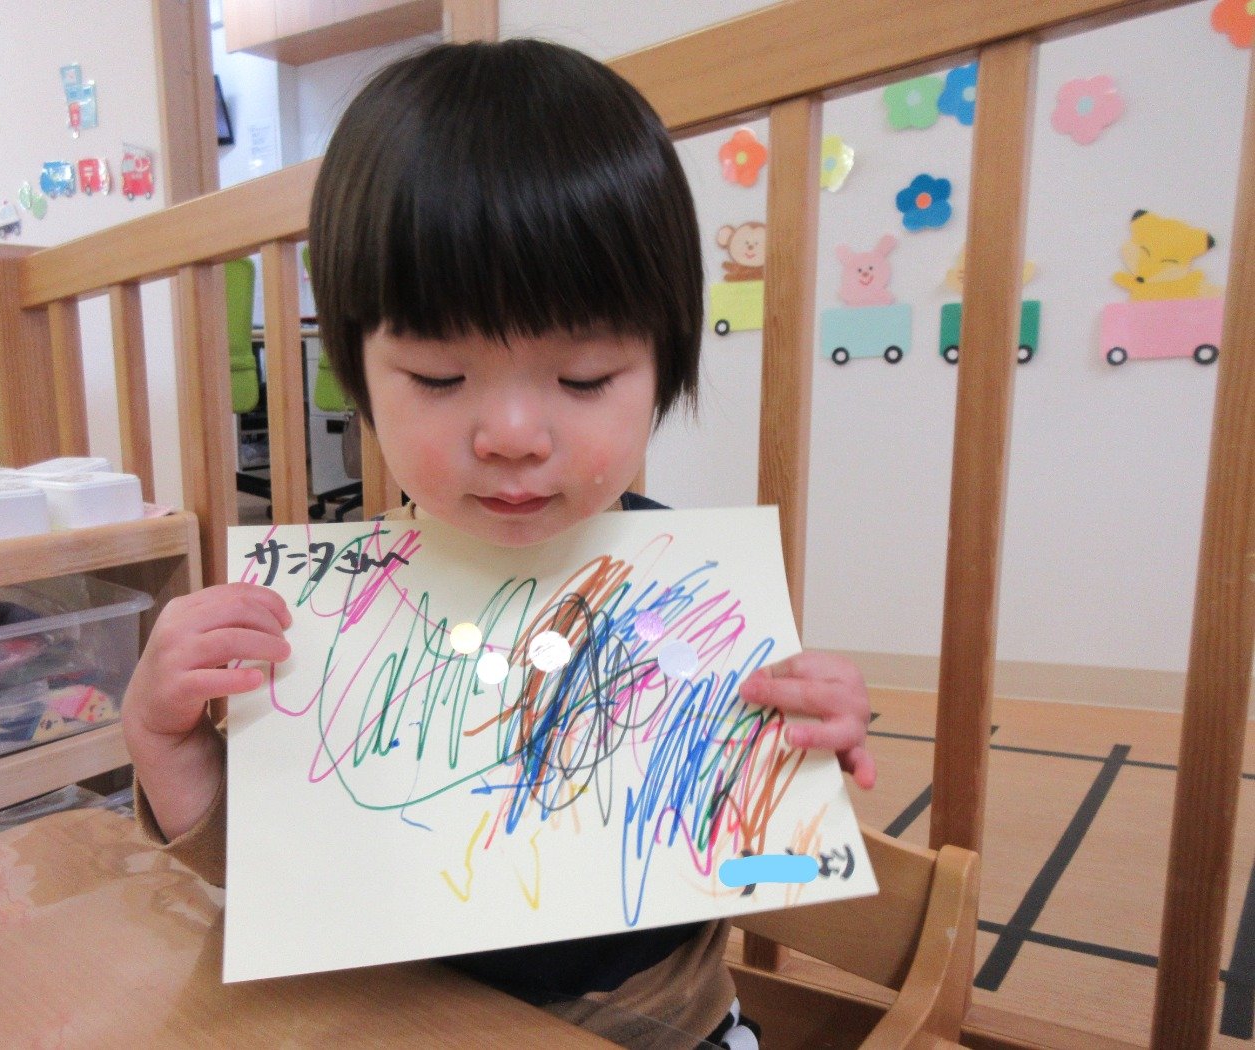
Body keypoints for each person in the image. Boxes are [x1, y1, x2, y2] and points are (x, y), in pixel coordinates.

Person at [124, 38, 876, 1049]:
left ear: (663, 366)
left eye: (583, 378)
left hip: (666, 1031)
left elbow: (763, 867)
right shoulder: (324, 622)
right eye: (439, 378)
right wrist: (171, 750)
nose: (512, 435)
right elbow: (279, 876)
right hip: (405, 1026)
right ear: (358, 374)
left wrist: (806, 760)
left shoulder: (693, 606)